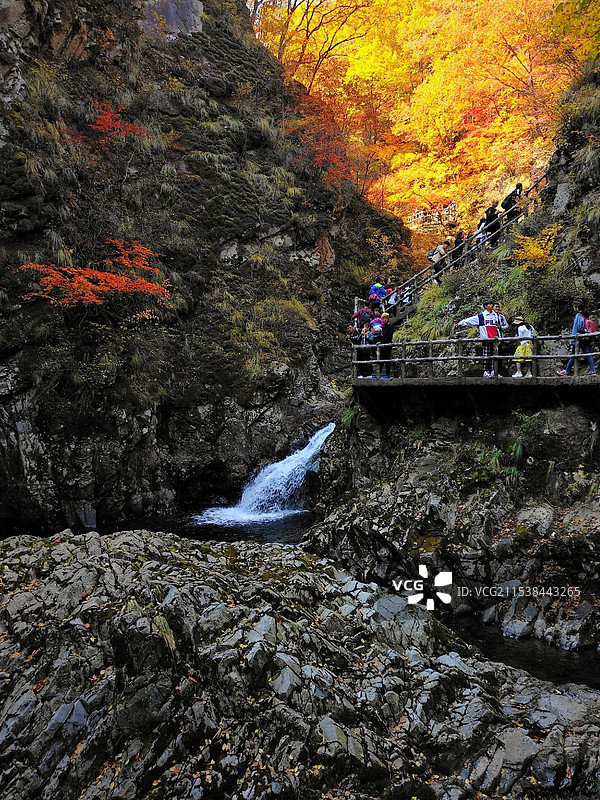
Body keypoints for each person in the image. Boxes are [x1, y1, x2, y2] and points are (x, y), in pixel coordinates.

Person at [455, 300, 504, 377]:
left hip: (495, 338)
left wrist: (500, 338)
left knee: (495, 356)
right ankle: (486, 371)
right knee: (487, 355)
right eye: (489, 304)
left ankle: (494, 371)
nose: (491, 305)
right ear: (486, 306)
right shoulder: (482, 316)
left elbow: (497, 328)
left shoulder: (496, 315)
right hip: (486, 338)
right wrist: (461, 323)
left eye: (492, 304)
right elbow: (471, 320)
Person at [557, 304, 597, 376]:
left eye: (574, 307)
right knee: (588, 353)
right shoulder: (585, 315)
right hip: (585, 338)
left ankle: (566, 370)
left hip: (579, 338)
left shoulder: (578, 316)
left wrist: (573, 339)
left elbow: (577, 327)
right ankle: (593, 370)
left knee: (574, 354)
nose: (573, 308)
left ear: (577, 308)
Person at [379, 312, 394, 378]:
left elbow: (389, 336)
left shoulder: (390, 326)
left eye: (386, 318)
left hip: (388, 344)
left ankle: (388, 374)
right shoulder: (384, 326)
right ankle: (379, 373)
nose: (384, 320)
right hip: (383, 345)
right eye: (383, 319)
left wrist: (382, 341)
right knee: (381, 359)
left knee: (387, 359)